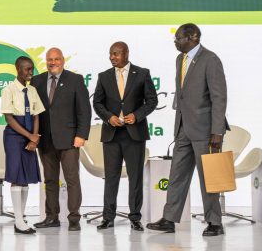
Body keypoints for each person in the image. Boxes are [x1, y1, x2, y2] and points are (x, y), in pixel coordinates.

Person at [147, 23, 229, 236]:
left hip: (205, 130)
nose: (175, 42)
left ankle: (214, 222)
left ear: (193, 37)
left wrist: (217, 131)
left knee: (208, 178)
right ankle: (169, 219)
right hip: (183, 128)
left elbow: (219, 97)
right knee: (176, 175)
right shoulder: (179, 59)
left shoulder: (210, 59)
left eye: (179, 38)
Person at [93, 42, 158, 231]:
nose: (112, 57)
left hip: (134, 134)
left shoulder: (142, 73)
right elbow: (97, 103)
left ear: (126, 53)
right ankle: (108, 217)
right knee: (111, 177)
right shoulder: (104, 76)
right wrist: (108, 117)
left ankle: (135, 217)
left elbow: (152, 100)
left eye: (116, 54)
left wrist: (137, 115)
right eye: (110, 54)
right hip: (111, 135)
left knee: (135, 177)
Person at [30, 47, 91, 231]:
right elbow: (34, 111)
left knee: (72, 179)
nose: (53, 62)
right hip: (46, 140)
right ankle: (51, 217)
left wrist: (81, 135)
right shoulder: (37, 81)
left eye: (56, 59)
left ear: (63, 60)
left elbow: (84, 110)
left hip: (70, 140)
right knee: (49, 180)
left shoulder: (75, 80)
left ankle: (74, 218)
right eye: (49, 59)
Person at [1, 56, 45, 234]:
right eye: (27, 69)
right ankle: (18, 220)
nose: (30, 72)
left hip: (29, 134)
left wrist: (34, 138)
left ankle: (22, 216)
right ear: (18, 69)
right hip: (14, 135)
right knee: (17, 175)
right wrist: (29, 136)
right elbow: (9, 118)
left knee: (26, 176)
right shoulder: (8, 90)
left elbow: (36, 115)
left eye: (32, 69)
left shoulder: (32, 90)